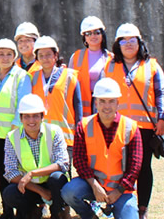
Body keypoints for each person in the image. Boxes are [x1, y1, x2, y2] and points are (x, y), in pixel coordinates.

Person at [106, 23, 164, 219]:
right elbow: (100, 95)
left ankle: (142, 208)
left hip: (144, 128)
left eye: (132, 40)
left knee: (142, 168)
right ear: (117, 45)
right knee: (116, 166)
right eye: (123, 41)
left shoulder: (151, 65)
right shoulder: (110, 66)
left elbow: (162, 93)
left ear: (139, 43)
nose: (128, 44)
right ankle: (116, 204)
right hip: (116, 126)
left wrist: (163, 117)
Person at [61, 78, 142, 219]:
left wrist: (118, 191)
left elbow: (135, 166)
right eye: (102, 101)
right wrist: (95, 186)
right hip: (93, 185)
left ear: (118, 103)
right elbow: (79, 161)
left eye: (111, 101)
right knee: (69, 192)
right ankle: (91, 215)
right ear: (96, 103)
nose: (107, 106)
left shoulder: (131, 127)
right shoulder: (84, 126)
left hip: (122, 190)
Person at [2, 93, 71, 219]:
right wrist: (40, 191)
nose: (31, 121)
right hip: (31, 186)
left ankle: (58, 212)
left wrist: (32, 173)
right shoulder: (12, 137)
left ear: (42, 117)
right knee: (9, 193)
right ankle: (32, 211)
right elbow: (11, 172)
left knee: (57, 178)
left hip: (53, 184)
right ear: (21, 118)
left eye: (35, 116)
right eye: (27, 117)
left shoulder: (54, 132)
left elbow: (63, 163)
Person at [0, 38, 30, 218]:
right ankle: (7, 210)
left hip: (13, 134)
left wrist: (15, 129)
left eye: (9, 54)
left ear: (14, 56)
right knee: (2, 174)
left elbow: (22, 104)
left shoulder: (22, 76)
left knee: (16, 173)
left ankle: (24, 210)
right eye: (1, 54)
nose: (4, 57)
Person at [19, 36, 82, 148]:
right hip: (40, 138)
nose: (45, 58)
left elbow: (78, 107)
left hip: (65, 139)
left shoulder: (69, 76)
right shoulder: (32, 77)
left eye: (48, 54)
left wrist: (79, 136)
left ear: (55, 55)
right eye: (41, 55)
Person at [69, 16, 115, 117]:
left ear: (102, 34)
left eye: (96, 32)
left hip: (104, 109)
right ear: (84, 37)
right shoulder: (76, 57)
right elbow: (69, 84)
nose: (93, 36)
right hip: (82, 111)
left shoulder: (111, 58)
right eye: (88, 33)